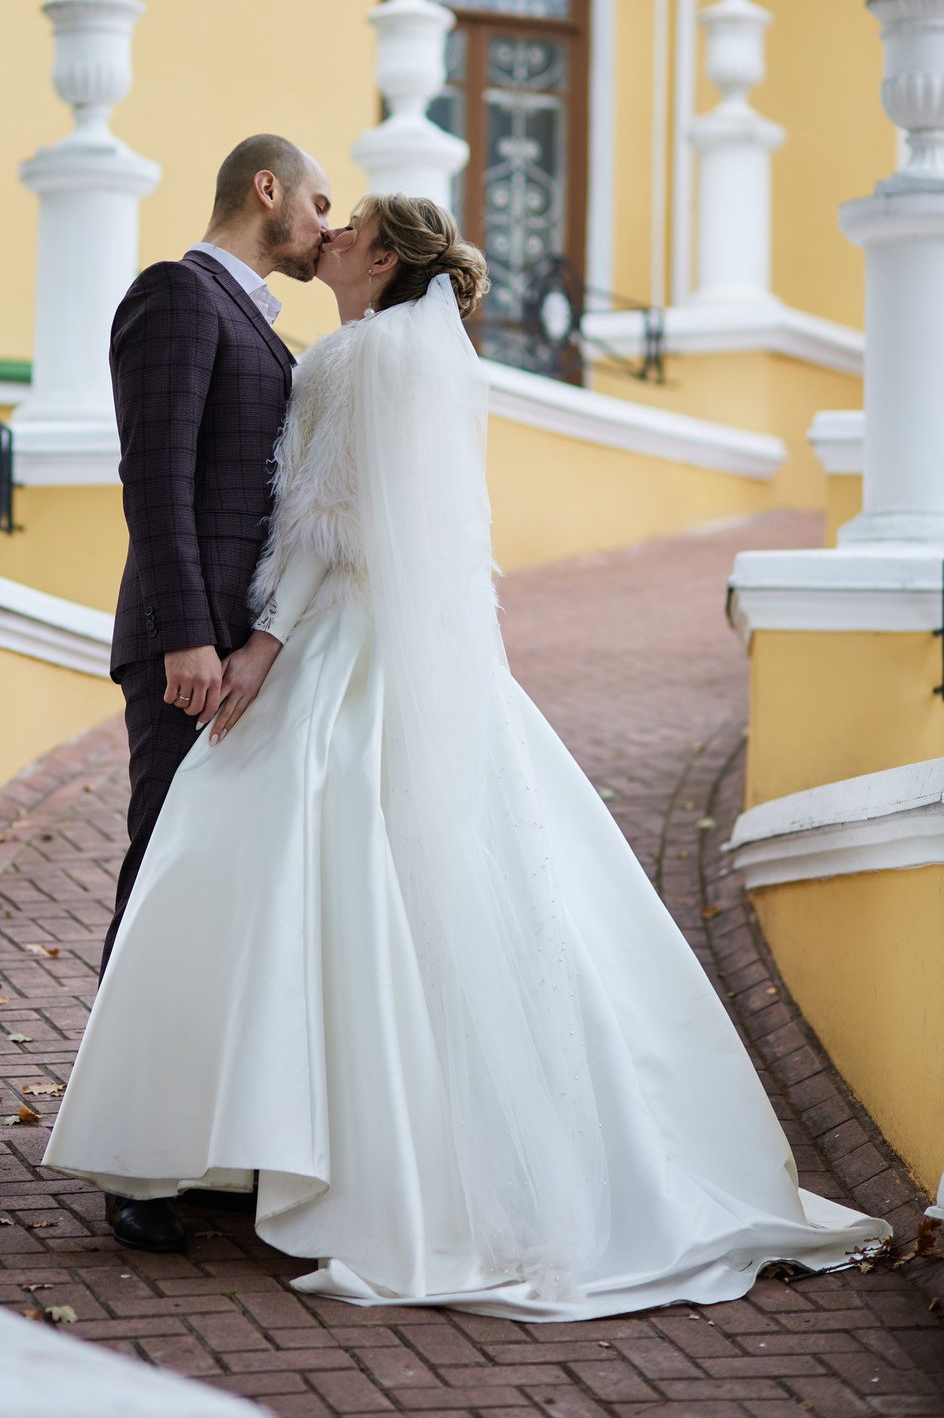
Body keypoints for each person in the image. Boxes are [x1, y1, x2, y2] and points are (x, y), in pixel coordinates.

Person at [44, 193, 890, 1320]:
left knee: (253, 874)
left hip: (330, 643)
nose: (326, 231)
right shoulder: (423, 357)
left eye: (344, 227)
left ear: (381, 256)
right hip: (416, 651)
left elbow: (324, 528)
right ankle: (300, 1143)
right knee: (406, 894)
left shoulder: (354, 359)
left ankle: (241, 1145)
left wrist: (259, 645)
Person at [89, 132, 332, 1256]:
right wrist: (187, 634)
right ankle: (130, 1158)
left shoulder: (258, 322)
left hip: (245, 655)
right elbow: (155, 473)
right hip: (188, 653)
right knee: (161, 875)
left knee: (217, 891)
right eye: (318, 202)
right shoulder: (176, 296)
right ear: (266, 189)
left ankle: (207, 1137)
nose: (328, 227)